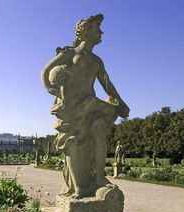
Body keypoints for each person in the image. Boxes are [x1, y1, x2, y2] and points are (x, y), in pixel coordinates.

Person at [41, 14, 129, 198]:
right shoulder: (69, 53)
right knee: (71, 144)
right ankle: (79, 187)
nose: (101, 32)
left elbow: (107, 85)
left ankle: (99, 177)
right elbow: (45, 72)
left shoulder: (97, 61)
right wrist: (53, 90)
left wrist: (121, 103)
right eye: (97, 29)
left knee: (99, 130)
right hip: (70, 108)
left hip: (89, 105)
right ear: (85, 33)